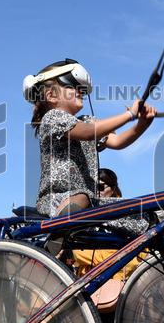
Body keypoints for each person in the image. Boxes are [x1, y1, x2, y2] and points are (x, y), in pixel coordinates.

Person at [26, 59, 155, 234]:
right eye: (72, 86)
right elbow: (88, 132)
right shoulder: (52, 118)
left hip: (90, 203)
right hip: (57, 199)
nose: (80, 91)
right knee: (82, 197)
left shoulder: (87, 121)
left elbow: (118, 141)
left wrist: (142, 125)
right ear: (51, 96)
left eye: (82, 88)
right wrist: (129, 115)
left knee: (142, 210)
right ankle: (59, 232)